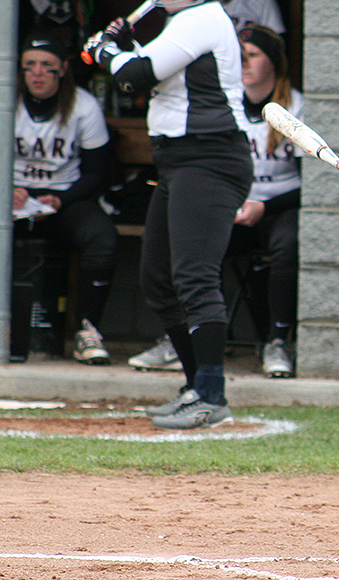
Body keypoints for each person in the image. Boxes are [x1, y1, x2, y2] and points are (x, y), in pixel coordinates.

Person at [87, 0, 253, 429]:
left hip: (210, 157)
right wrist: (120, 47)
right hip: (179, 160)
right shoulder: (182, 22)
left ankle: (212, 397)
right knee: (158, 279)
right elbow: (141, 64)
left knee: (194, 275)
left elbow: (134, 76)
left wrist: (107, 50)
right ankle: (197, 384)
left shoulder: (200, 18)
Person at [129, 24, 300, 378]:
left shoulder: (296, 105)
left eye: (253, 55)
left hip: (277, 206)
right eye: (239, 55)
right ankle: (183, 339)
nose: (244, 63)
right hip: (230, 205)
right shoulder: (225, 98)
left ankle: (278, 340)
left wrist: (265, 207)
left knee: (288, 243)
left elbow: (311, 185)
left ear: (274, 63)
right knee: (193, 256)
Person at [13, 32, 117, 365]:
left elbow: (97, 174)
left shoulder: (83, 105)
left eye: (47, 66)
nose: (37, 74)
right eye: (30, 66)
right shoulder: (6, 100)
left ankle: (87, 332)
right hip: (10, 198)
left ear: (63, 70)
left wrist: (60, 199)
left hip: (62, 200)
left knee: (102, 237)